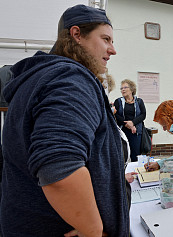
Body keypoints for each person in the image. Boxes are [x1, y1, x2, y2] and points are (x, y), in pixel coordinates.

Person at [0, 5, 130, 236]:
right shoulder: (70, 78)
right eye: (106, 39)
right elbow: (59, 165)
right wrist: (93, 231)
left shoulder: (40, 78)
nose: (113, 50)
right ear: (76, 34)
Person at [114, 79, 146, 162]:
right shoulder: (118, 101)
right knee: (122, 155)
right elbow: (116, 115)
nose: (123, 90)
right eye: (121, 88)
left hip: (136, 132)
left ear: (132, 89)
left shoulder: (139, 101)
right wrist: (128, 124)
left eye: (125, 87)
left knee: (135, 155)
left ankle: (135, 172)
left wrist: (132, 123)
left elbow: (143, 115)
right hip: (123, 131)